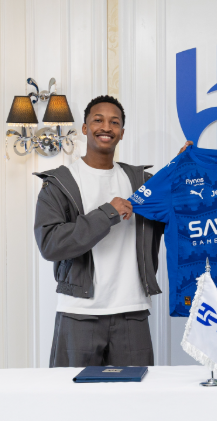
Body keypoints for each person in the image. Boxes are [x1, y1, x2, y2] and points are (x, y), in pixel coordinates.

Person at [34, 95, 167, 367]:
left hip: (132, 312)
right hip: (78, 313)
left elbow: (184, 207)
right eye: (98, 120)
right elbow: (50, 244)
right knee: (71, 392)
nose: (106, 127)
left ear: (122, 133)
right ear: (85, 128)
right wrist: (107, 213)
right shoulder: (60, 183)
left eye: (114, 122)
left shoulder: (142, 182)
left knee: (137, 393)